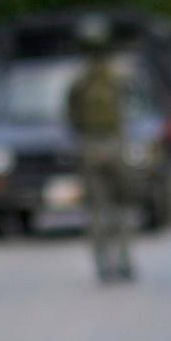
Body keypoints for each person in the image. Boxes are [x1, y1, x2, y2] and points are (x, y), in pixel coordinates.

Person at [64, 16, 140, 283]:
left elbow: (72, 117)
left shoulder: (89, 80)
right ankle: (114, 263)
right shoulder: (108, 78)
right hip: (103, 143)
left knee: (109, 208)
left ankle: (114, 263)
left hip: (100, 144)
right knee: (109, 209)